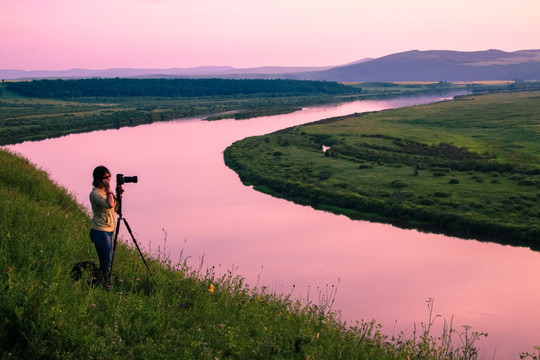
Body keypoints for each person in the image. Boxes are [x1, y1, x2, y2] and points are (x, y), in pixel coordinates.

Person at [89, 165, 117, 283]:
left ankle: (102, 283)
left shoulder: (106, 192)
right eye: (106, 178)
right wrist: (109, 188)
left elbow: (116, 208)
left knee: (108, 261)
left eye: (109, 177)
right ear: (98, 180)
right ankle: (104, 285)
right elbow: (110, 204)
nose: (108, 180)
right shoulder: (95, 194)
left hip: (109, 230)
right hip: (100, 231)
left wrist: (118, 195)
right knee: (106, 262)